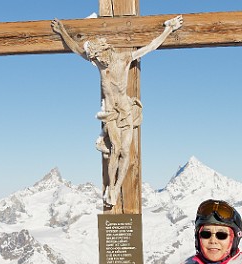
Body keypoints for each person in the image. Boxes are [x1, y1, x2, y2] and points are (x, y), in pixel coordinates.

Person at [51, 15, 183, 207]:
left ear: (106, 51)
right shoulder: (100, 65)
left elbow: (151, 46)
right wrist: (62, 31)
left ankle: (116, 187)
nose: (98, 61)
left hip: (125, 111)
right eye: (96, 59)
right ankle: (111, 188)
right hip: (110, 113)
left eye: (100, 57)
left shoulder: (124, 59)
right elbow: (77, 49)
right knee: (115, 150)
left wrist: (168, 29)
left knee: (125, 152)